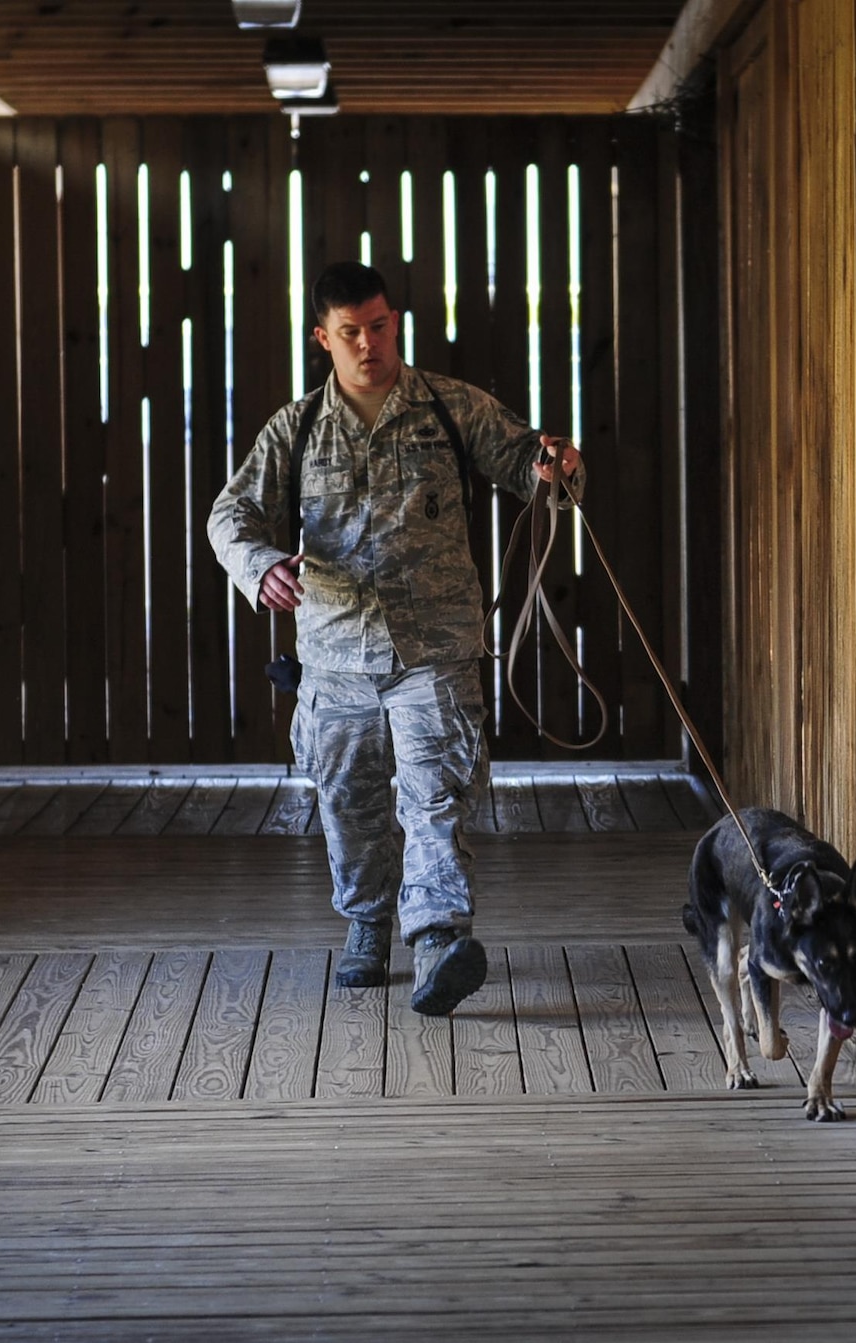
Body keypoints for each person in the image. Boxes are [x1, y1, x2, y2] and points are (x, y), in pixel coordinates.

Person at [207, 261, 583, 1015]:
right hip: (335, 655)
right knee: (349, 806)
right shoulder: (298, 428)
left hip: (433, 652)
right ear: (323, 338)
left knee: (435, 797)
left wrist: (560, 466)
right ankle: (367, 925)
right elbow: (229, 515)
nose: (369, 343)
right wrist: (262, 568)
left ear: (394, 323)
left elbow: (531, 468)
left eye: (379, 326)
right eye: (350, 332)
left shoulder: (450, 408)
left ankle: (441, 937)